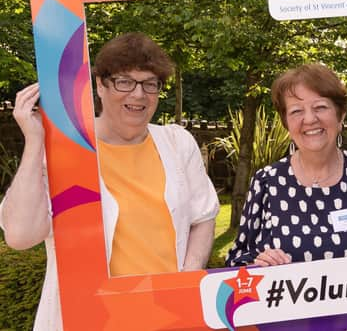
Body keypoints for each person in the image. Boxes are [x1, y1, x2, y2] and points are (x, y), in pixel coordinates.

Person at [0, 32, 220, 331]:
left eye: (149, 84)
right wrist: (36, 142)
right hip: (90, 319)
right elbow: (20, 235)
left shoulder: (177, 142)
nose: (138, 95)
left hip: (167, 318)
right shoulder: (66, 151)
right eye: (124, 82)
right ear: (100, 85)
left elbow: (204, 215)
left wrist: (187, 279)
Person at [225, 64, 347, 330]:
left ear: (340, 113)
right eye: (297, 111)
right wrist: (257, 263)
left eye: (320, 107)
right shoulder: (267, 182)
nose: (309, 119)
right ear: (286, 122)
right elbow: (236, 264)